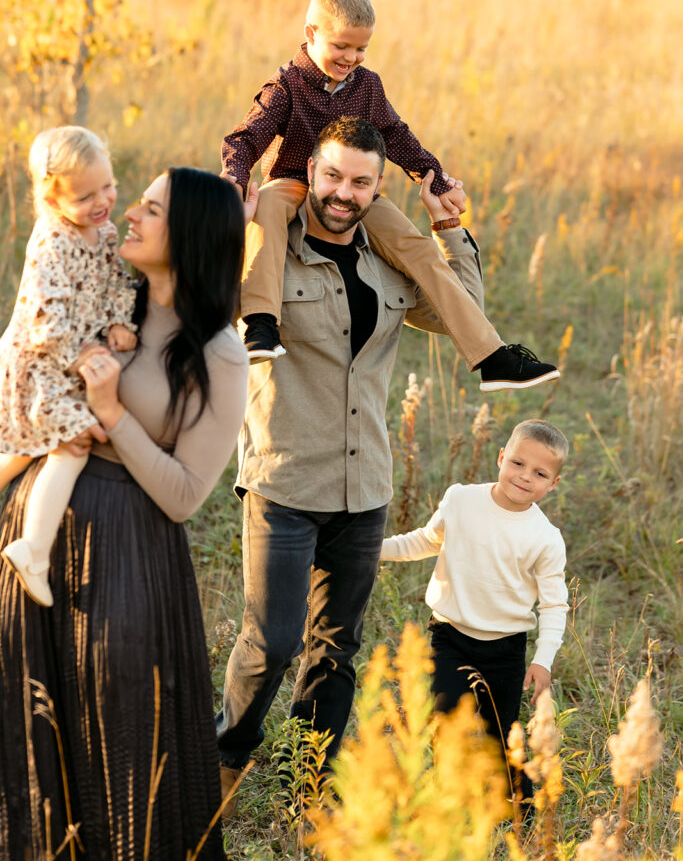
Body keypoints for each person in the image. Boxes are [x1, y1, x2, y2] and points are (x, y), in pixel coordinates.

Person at [215, 116, 498, 808]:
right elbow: (218, 307)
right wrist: (239, 223)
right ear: (311, 172)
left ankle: (310, 785)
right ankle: (225, 757)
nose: (344, 193)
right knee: (272, 642)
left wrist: (447, 230)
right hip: (284, 479)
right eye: (333, 176)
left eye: (361, 182)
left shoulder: (387, 257)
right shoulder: (268, 253)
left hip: (363, 484)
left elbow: (459, 309)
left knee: (335, 650)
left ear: (377, 186)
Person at [0, 165, 250, 860]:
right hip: (36, 528)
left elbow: (184, 494)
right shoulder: (104, 298)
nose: (127, 216)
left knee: (123, 731)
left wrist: (113, 416)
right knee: (29, 720)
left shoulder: (219, 354)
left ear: (191, 236)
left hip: (129, 550)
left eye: (149, 209)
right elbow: (24, 384)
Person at [221, 0, 559, 393]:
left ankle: (491, 355)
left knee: (413, 243)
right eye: (341, 46)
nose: (351, 58)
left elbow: (395, 135)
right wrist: (235, 178)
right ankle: (259, 324)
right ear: (311, 34)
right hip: (293, 181)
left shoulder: (368, 86)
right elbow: (246, 137)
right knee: (268, 208)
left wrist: (433, 178)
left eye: (361, 49)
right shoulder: (286, 85)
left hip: (358, 189)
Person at [380, 418, 569, 802]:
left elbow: (554, 604)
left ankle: (521, 813)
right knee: (445, 719)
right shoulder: (462, 499)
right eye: (517, 463)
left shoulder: (545, 538)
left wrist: (543, 659)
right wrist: (371, 550)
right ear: (501, 457)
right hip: (448, 635)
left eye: (539, 473)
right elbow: (426, 540)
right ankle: (446, 800)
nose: (524, 476)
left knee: (501, 734)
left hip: (505, 649)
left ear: (553, 484)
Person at [0, 126, 137, 607]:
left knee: (32, 444)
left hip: (68, 363)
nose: (102, 202)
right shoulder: (50, 242)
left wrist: (120, 318)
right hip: (40, 364)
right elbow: (44, 320)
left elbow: (117, 279)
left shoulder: (105, 230)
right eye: (84, 196)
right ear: (51, 196)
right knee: (72, 444)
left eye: (108, 187)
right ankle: (33, 549)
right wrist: (80, 354)